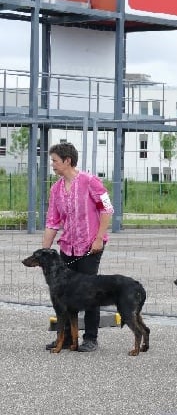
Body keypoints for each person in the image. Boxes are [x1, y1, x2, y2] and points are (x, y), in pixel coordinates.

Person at [43, 142, 114, 353]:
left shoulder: (90, 182)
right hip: (67, 248)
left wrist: (99, 238)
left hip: (90, 247)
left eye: (55, 161)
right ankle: (64, 338)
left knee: (89, 293)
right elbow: (52, 222)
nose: (52, 165)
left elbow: (107, 209)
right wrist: (44, 252)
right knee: (62, 294)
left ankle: (90, 338)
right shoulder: (55, 189)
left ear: (67, 160)